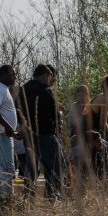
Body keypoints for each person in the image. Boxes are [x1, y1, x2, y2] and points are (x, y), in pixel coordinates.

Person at [17, 64, 63, 199]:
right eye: (50, 77)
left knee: (31, 166)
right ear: (44, 76)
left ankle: (27, 195)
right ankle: (54, 195)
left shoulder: (23, 90)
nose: (51, 80)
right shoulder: (45, 90)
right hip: (45, 133)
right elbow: (54, 112)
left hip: (29, 135)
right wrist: (57, 123)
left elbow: (17, 109)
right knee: (55, 164)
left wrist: (23, 124)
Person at [0, 64, 22, 195]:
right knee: (7, 168)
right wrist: (7, 127)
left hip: (1, 134)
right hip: (1, 135)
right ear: (3, 76)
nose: (14, 76)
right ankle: (6, 201)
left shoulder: (2, 89)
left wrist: (13, 132)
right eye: (12, 74)